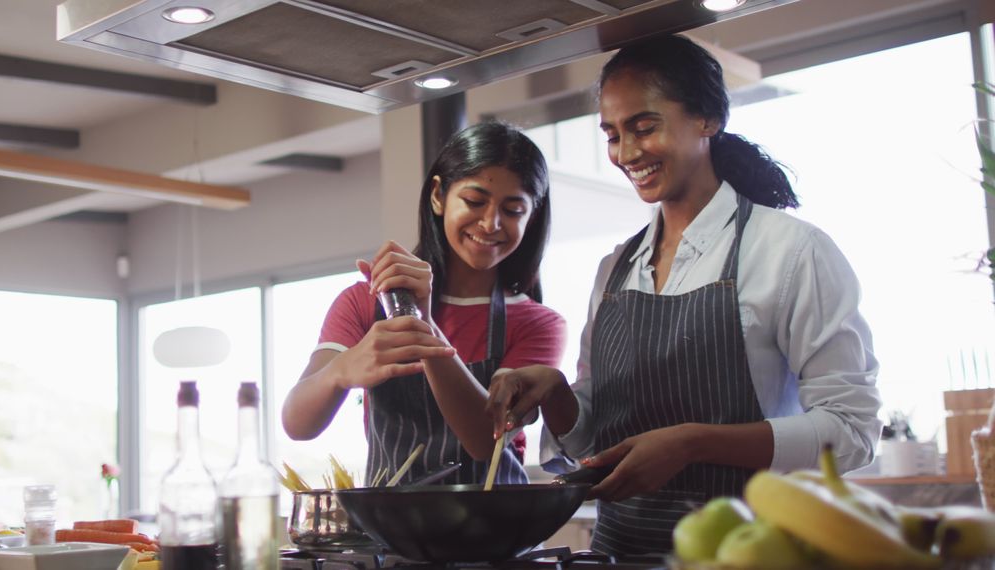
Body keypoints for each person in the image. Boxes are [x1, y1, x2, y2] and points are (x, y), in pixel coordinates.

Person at [485, 34, 882, 557]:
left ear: (708, 119)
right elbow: (595, 446)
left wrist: (694, 442)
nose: (626, 153)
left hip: (750, 554)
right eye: (612, 134)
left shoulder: (790, 251)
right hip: (620, 554)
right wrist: (557, 395)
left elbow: (851, 432)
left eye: (644, 127)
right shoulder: (614, 270)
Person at [282, 121, 566, 487]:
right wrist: (341, 371)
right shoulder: (366, 302)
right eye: (475, 201)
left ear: (533, 216)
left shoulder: (537, 322)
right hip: (392, 535)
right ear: (438, 196)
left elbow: (484, 439)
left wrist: (422, 323)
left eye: (512, 210)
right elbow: (297, 424)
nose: (490, 222)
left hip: (495, 535)